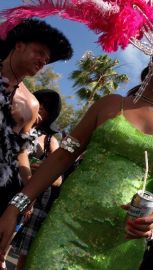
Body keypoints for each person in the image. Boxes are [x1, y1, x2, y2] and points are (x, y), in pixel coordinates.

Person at [0, 47, 153, 269]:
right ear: (151, 65)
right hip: (65, 230)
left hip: (121, 250)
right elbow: (63, 155)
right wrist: (16, 206)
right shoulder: (111, 105)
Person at [0, 18, 72, 270]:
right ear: (18, 45)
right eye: (39, 52)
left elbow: (21, 152)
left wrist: (27, 194)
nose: (43, 61)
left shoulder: (30, 105)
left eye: (47, 59)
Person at [13, 89, 62, 270]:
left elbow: (58, 179)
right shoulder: (13, 120)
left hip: (24, 200)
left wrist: (44, 172)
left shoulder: (50, 141)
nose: (41, 109)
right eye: (39, 102)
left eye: (47, 108)